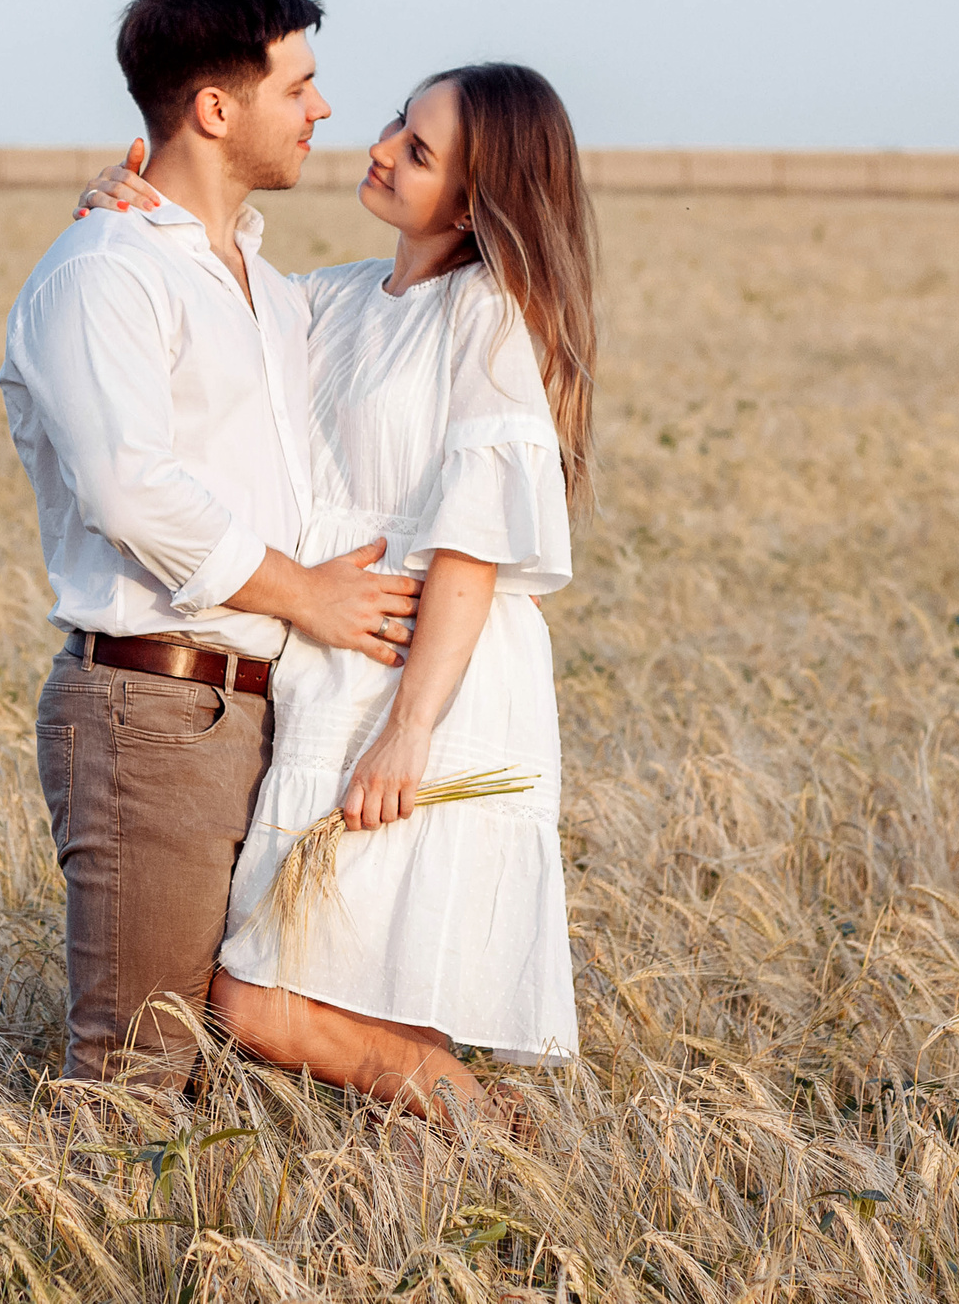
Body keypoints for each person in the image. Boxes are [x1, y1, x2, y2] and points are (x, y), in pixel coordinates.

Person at [73, 62, 595, 1122]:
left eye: (421, 150)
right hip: (331, 668)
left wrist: (410, 731)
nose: (382, 146)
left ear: (480, 193)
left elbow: (473, 544)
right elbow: (216, 315)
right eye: (400, 121)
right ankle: (453, 1174)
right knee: (353, 978)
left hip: (425, 680)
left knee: (254, 1000)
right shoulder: (338, 298)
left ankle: (497, 1132)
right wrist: (117, 212)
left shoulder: (485, 314)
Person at [0, 0, 425, 1089]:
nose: (323, 110)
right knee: (138, 1071)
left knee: (241, 1051)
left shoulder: (274, 293)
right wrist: (310, 596)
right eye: (300, 85)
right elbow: (129, 489)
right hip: (150, 711)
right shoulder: (104, 272)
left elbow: (422, 298)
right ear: (216, 108)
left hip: (259, 711)